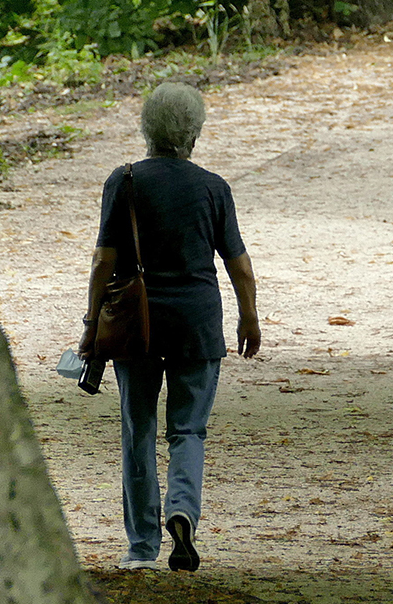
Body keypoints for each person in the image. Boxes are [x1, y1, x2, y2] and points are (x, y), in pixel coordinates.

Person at [79, 83, 260, 572]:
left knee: (138, 430)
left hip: (136, 325)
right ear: (194, 134)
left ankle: (142, 547)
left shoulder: (126, 181)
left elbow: (103, 262)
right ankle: (183, 510)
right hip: (197, 324)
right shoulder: (213, 187)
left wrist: (91, 322)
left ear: (147, 130)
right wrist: (249, 317)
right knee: (188, 430)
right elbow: (239, 266)